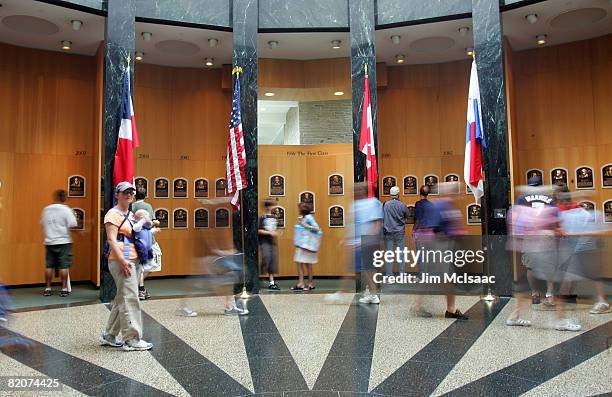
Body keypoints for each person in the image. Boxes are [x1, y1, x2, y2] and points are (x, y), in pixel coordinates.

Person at [100, 182, 152, 351]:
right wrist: (122, 260)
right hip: (121, 260)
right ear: (117, 194)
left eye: (131, 192)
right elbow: (111, 239)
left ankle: (109, 334)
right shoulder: (112, 214)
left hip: (133, 259)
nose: (129, 194)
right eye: (125, 192)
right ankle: (132, 338)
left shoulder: (130, 214)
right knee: (130, 298)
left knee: (123, 296)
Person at [40, 190, 77, 297]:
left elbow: (43, 224)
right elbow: (73, 225)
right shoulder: (66, 210)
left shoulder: (46, 210)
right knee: (64, 266)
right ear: (64, 198)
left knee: (49, 266)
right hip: (64, 242)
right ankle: (64, 288)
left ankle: (47, 288)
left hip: (49, 241)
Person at [351, 183, 383, 304]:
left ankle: (373, 294)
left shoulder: (373, 202)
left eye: (359, 190)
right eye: (355, 190)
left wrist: (370, 238)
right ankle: (371, 290)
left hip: (369, 240)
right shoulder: (358, 205)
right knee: (367, 268)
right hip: (361, 241)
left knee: (368, 268)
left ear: (364, 191)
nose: (356, 192)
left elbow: (378, 222)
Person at [411, 185, 436, 317]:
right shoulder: (432, 205)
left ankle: (422, 275)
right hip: (430, 233)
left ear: (419, 193)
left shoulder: (418, 204)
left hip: (421, 233)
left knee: (421, 255)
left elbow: (418, 219)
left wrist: (413, 230)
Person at [131, 190, 159, 300]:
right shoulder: (148, 206)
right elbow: (150, 222)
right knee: (150, 264)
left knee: (141, 266)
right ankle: (140, 288)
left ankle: (140, 287)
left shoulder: (131, 206)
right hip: (147, 241)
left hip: (137, 239)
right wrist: (155, 223)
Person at [291, 203, 321, 292]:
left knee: (301, 264)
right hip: (305, 245)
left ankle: (303, 283)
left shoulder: (308, 217)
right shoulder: (306, 217)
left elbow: (317, 228)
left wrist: (305, 225)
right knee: (306, 264)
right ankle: (308, 283)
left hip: (305, 245)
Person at [382, 186, 409, 276]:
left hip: (388, 233)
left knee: (389, 254)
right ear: (398, 194)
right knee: (401, 254)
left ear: (390, 194)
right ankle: (402, 274)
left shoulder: (386, 204)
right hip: (399, 233)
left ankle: (389, 275)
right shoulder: (402, 205)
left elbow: (383, 217)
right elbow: (407, 215)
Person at [259, 200, 280, 290]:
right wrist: (269, 233)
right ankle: (260, 276)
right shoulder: (262, 217)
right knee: (266, 258)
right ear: (268, 207)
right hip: (264, 241)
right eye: (272, 206)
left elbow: (275, 229)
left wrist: (276, 232)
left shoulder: (274, 218)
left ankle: (272, 282)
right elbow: (259, 230)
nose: (274, 208)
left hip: (272, 242)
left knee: (272, 261)